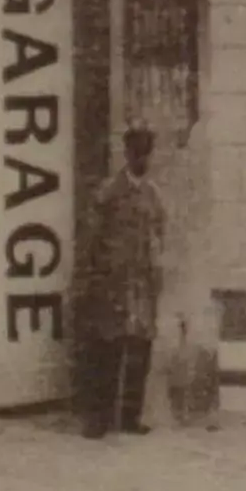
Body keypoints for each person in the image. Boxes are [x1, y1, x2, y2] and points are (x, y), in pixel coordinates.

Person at [83, 127, 167, 438]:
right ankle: (99, 420)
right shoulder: (109, 192)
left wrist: (156, 271)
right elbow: (92, 238)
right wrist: (97, 276)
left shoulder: (153, 195)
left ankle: (130, 417)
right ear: (127, 153)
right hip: (114, 282)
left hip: (142, 284)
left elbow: (159, 235)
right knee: (108, 349)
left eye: (146, 153)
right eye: (137, 152)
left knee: (140, 350)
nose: (142, 159)